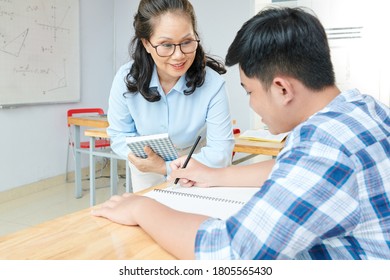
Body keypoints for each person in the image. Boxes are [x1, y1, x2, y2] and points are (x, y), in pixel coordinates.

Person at [93, 7, 390, 259]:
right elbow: (291, 167)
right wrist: (215, 175)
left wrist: (142, 208)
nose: (250, 103)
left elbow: (228, 251)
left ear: (282, 88)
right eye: (166, 45)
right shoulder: (363, 107)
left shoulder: (322, 150)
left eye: (249, 91)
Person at [107, 0, 234, 192]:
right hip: (146, 163)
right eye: (166, 45)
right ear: (147, 44)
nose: (178, 56)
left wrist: (166, 167)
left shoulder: (212, 83)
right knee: (149, 216)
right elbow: (118, 135)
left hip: (197, 162)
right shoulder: (126, 79)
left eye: (186, 42)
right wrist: (147, 161)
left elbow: (221, 151)